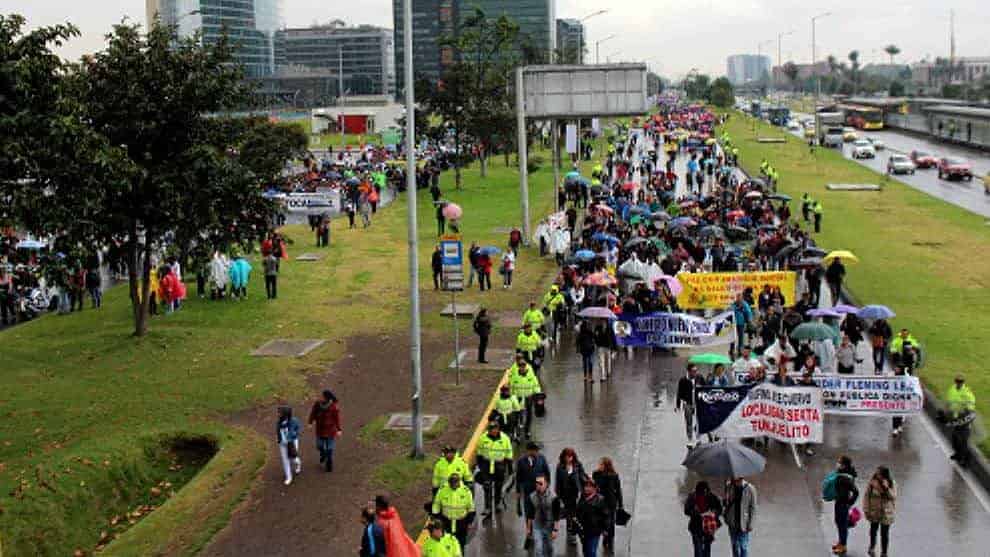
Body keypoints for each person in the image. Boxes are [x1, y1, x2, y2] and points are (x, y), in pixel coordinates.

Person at [476, 421, 514, 514]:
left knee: (498, 486)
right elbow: (479, 452)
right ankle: (487, 507)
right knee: (487, 486)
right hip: (486, 465)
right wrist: (480, 466)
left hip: (499, 466)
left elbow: (509, 452)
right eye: (491, 429)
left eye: (495, 429)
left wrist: (509, 467)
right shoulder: (482, 438)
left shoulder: (505, 438)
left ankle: (497, 504)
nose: (493, 431)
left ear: (498, 429)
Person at [431, 472, 474, 550]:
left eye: (455, 483)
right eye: (451, 484)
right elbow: (436, 505)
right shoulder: (442, 490)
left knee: (460, 545)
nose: (453, 486)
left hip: (461, 523)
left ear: (459, 482)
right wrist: (435, 518)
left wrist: (470, 522)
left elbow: (471, 508)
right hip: (446, 522)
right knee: (446, 545)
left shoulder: (466, 491)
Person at [555, 447, 587, 545]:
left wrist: (586, 483)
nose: (569, 458)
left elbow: (583, 475)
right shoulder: (560, 466)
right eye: (567, 456)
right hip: (565, 494)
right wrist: (558, 495)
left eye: (570, 456)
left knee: (575, 514)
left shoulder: (577, 465)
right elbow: (558, 481)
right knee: (570, 515)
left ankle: (573, 532)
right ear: (563, 457)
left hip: (576, 493)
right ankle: (571, 535)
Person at [592, 457, 623, 552]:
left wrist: (621, 504)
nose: (599, 466)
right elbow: (594, 487)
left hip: (611, 502)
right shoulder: (596, 474)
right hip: (600, 502)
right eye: (599, 464)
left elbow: (618, 490)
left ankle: (610, 541)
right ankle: (605, 538)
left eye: (601, 464)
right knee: (603, 522)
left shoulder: (614, 475)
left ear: (607, 466)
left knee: (611, 523)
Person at [863, 466, 896, 557]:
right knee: (873, 531)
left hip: (886, 513)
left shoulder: (891, 483)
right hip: (874, 511)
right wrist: (866, 509)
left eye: (879, 474)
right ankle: (872, 547)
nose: (877, 475)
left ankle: (884, 552)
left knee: (884, 533)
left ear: (884, 474)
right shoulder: (872, 483)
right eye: (877, 473)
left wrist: (887, 488)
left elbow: (893, 496)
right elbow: (866, 496)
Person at [684, 481, 723, 557]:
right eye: (702, 492)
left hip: (708, 527)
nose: (704, 493)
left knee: (707, 549)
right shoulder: (692, 497)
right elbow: (686, 510)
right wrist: (698, 514)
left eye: (705, 491)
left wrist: (713, 513)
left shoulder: (712, 496)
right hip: (695, 526)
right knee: (698, 549)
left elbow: (720, 509)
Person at [526, 474, 561, 557]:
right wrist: (528, 529)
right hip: (537, 525)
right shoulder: (532, 497)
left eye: (541, 483)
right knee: (538, 549)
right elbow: (530, 514)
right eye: (537, 483)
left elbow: (556, 515)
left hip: (549, 525)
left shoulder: (553, 497)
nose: (538, 485)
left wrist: (555, 530)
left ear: (546, 484)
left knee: (550, 548)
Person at [830, 455, 859, 555]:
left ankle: (843, 545)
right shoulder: (841, 474)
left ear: (844, 465)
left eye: (839, 462)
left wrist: (849, 503)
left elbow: (856, 492)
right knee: (838, 522)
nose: (837, 464)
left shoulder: (846, 478)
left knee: (842, 525)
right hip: (839, 502)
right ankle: (840, 542)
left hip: (843, 503)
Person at [945, 374, 976, 467]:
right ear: (955, 381)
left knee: (963, 440)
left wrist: (965, 413)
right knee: (955, 439)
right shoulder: (952, 389)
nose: (959, 383)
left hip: (964, 418)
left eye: (961, 382)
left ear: (963, 382)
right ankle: (958, 454)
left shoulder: (967, 392)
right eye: (958, 381)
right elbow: (949, 401)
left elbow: (971, 406)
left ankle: (965, 459)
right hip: (955, 418)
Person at [307, 390, 341, 472]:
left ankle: (329, 466)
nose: (320, 397)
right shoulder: (317, 404)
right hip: (320, 430)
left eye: (322, 396)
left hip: (330, 431)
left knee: (330, 449)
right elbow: (313, 413)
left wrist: (339, 429)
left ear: (326, 398)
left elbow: (337, 418)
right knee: (319, 446)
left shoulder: (334, 407)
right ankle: (323, 454)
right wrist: (310, 422)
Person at [516, 442, 552, 521]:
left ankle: (542, 524)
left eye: (537, 450)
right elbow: (518, 477)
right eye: (535, 450)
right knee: (529, 512)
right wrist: (518, 491)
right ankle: (529, 526)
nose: (537, 452)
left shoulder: (542, 458)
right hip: (528, 489)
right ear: (529, 451)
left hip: (540, 487)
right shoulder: (521, 461)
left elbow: (547, 472)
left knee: (542, 510)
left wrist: (547, 484)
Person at [723, 477, 757, 557]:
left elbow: (753, 507)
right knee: (735, 546)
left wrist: (751, 523)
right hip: (732, 522)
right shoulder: (729, 487)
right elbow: (725, 504)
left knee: (743, 546)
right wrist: (726, 493)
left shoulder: (750, 488)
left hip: (744, 523)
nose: (734, 480)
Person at [575, 479, 609, 557]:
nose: (586, 488)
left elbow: (606, 515)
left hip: (594, 531)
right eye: (586, 486)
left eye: (589, 487)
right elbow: (578, 512)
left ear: (594, 488)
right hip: (583, 530)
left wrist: (605, 529)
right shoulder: (583, 497)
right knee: (586, 551)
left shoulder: (600, 499)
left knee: (591, 552)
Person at [510, 362, 542, 439]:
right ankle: (517, 432)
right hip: (518, 398)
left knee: (529, 415)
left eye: (523, 367)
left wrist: (538, 396)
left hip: (528, 397)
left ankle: (527, 430)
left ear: (526, 367)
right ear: (519, 367)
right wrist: (511, 398)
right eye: (521, 367)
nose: (522, 368)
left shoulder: (531, 376)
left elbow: (536, 386)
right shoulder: (514, 377)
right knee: (516, 415)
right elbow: (511, 388)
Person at [677, 364, 705, 448]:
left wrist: (701, 390)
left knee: (699, 421)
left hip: (698, 403)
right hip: (688, 403)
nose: (695, 373)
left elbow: (705, 388)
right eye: (693, 371)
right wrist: (678, 405)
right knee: (689, 422)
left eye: (696, 371)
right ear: (688, 371)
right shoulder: (683, 380)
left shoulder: (699, 377)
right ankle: (690, 439)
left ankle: (698, 438)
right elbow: (679, 393)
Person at [276, 406, 301, 486]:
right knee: (285, 460)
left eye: (279, 412)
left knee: (293, 459)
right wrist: (279, 439)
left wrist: (293, 434)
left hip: (292, 442)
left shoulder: (294, 421)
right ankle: (288, 477)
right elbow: (278, 431)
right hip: (282, 444)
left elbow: (298, 429)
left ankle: (298, 464)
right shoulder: (278, 422)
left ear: (285, 414)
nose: (277, 414)